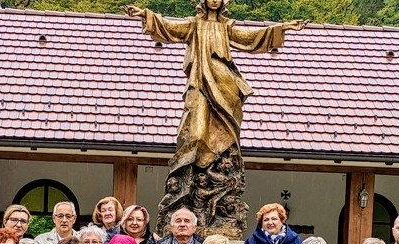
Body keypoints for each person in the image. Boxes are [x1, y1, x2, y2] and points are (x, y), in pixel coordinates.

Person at [122, 2, 304, 177]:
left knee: (227, 133)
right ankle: (185, 176)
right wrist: (145, 15)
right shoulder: (194, 24)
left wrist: (283, 28)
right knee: (195, 132)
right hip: (200, 81)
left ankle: (217, 172)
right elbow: (170, 28)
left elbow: (251, 37)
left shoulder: (227, 27)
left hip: (224, 81)